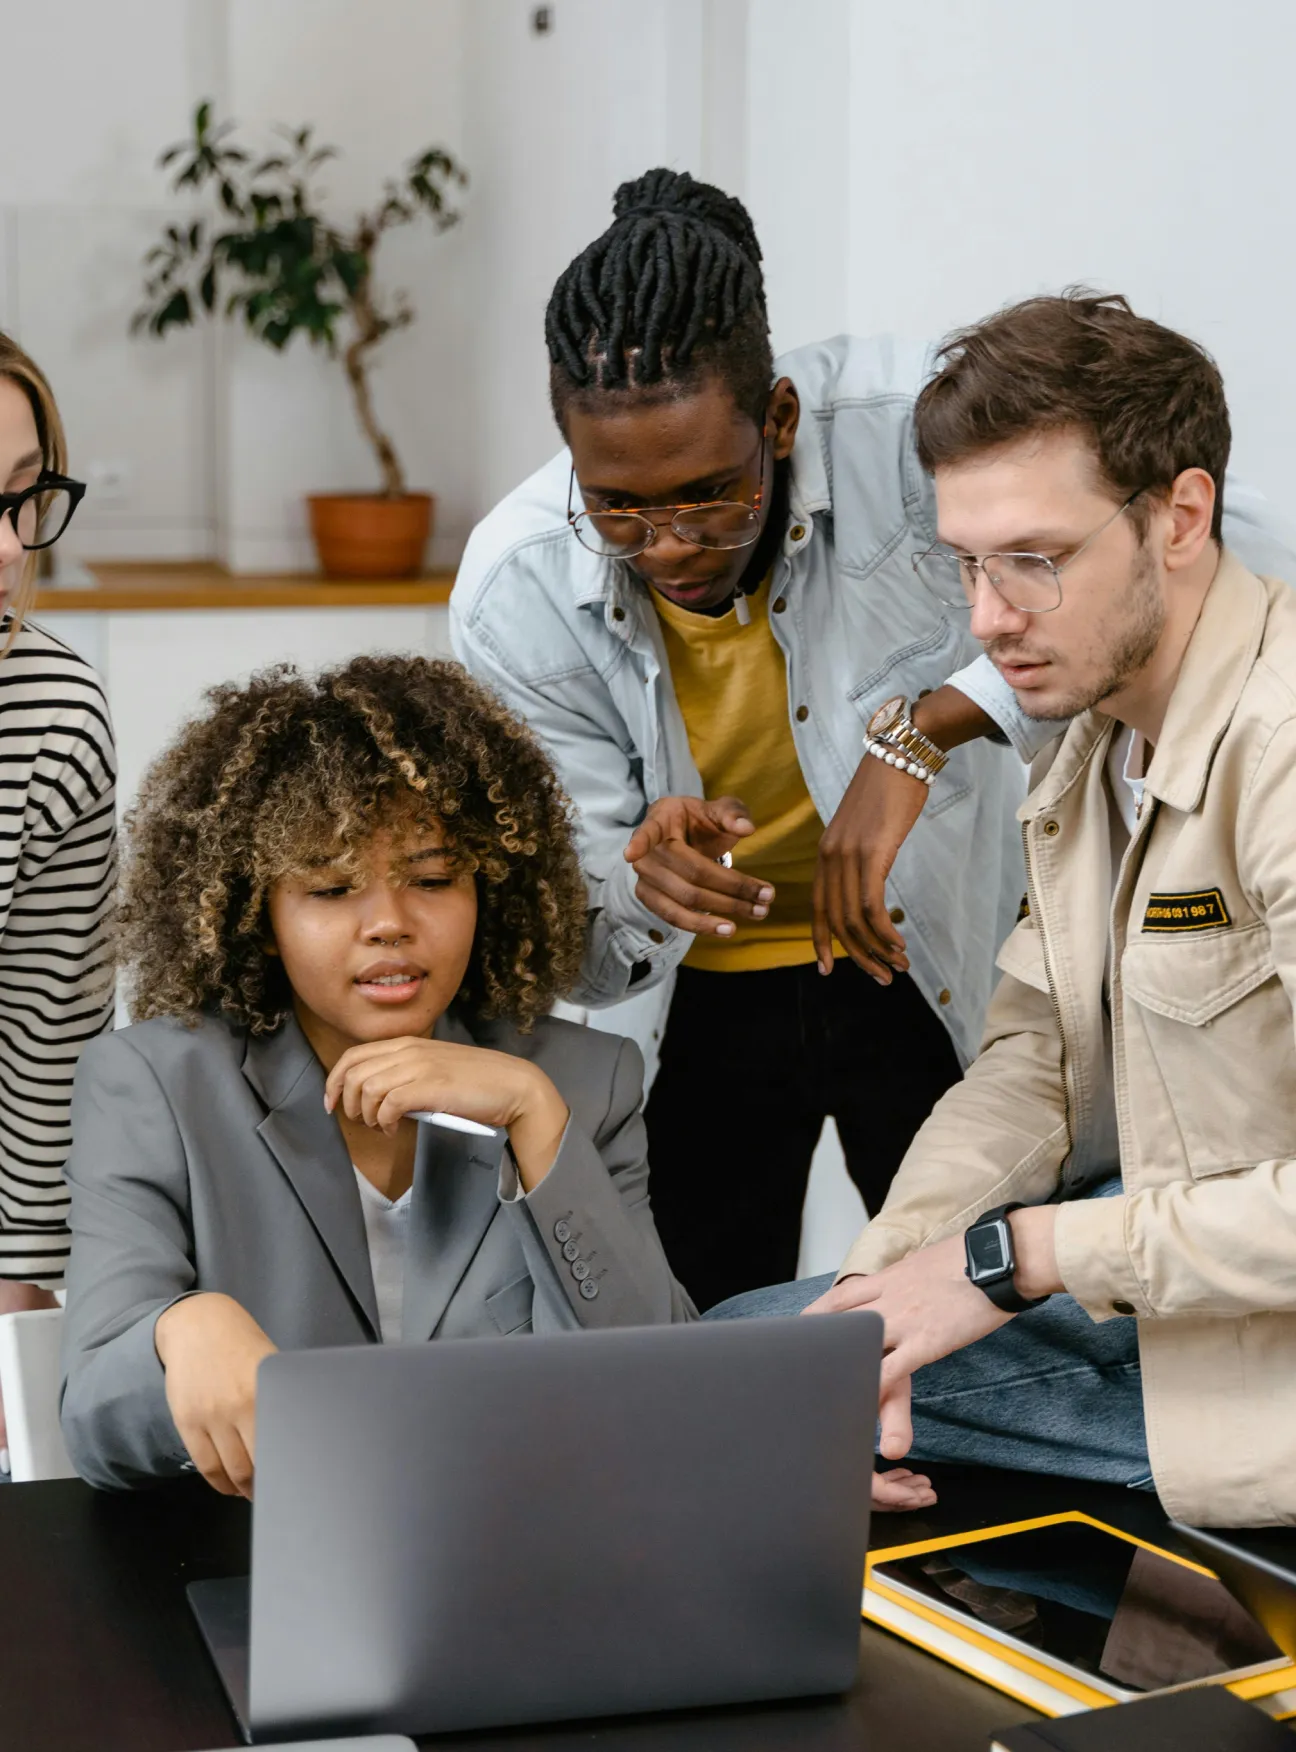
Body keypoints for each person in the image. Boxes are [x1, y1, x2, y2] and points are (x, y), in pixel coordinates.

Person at [451, 170, 1291, 1313]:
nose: (670, 546)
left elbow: (1210, 565)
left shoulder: (916, 429)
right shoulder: (516, 593)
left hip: (923, 953)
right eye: (618, 510)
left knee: (979, 1311)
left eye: (710, 495)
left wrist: (929, 728)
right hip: (702, 1002)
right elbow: (584, 951)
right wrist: (638, 883)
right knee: (708, 1337)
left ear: (780, 420)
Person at [711, 291, 1296, 1530]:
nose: (985, 619)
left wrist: (1015, 1259)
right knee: (798, 1357)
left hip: (1262, 1354)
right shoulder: (1095, 737)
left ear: (1181, 516)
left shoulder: (1283, 749)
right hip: (1179, 1294)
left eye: (1036, 559)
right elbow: (1033, 1064)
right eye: (967, 564)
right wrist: (884, 1286)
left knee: (734, 1371)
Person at [60, 656, 693, 1495]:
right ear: (258, 913)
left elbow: (665, 1393)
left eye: (433, 880)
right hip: (263, 1569)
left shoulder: (585, 1080)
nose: (390, 924)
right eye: (331, 889)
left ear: (489, 888)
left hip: (521, 1549)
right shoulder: (153, 1084)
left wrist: (536, 1120)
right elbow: (97, 1428)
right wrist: (181, 1329)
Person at [0, 334, 114, 1472]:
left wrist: (15, 1303)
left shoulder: (55, 712)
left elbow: (49, 1030)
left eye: (24, 498)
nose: (5, 552)